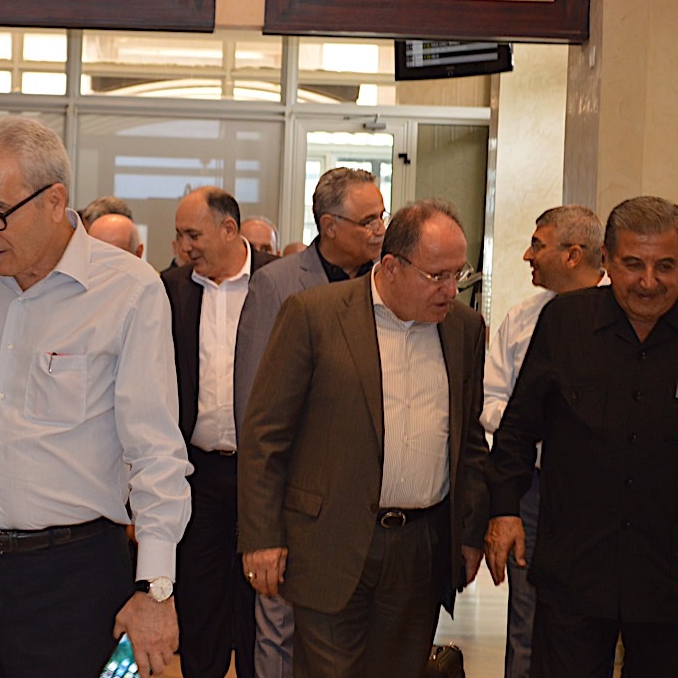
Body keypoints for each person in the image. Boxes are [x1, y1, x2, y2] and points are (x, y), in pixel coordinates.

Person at [0, 116, 191, 678]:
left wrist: (156, 587)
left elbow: (155, 452)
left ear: (54, 201)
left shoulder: (129, 290)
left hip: (69, 579)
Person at [239, 198, 489, 678]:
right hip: (330, 540)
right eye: (436, 276)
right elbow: (265, 436)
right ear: (391, 267)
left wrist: (470, 531)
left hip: (421, 547)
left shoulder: (463, 328)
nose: (450, 290)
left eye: (458, 274)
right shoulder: (314, 315)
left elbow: (469, 440)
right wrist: (262, 537)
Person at [485, 195, 678, 678]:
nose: (649, 281)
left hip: (667, 575)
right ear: (607, 261)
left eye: (666, 266)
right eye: (633, 265)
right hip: (575, 567)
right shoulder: (565, 322)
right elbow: (518, 427)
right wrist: (505, 510)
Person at [234, 167, 386, 678]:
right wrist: (263, 522)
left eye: (382, 216)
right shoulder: (278, 285)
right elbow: (255, 411)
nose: (380, 230)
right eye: (368, 220)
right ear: (329, 225)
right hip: (296, 500)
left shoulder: (385, 284)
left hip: (364, 503)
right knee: (281, 630)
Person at [481, 205, 606, 678]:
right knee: (527, 621)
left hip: (600, 491)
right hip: (533, 490)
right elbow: (492, 400)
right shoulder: (522, 319)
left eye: (538, 244)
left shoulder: (623, 317)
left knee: (594, 620)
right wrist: (536, 424)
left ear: (573, 255)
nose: (526, 255)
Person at [161, 186, 277, 678]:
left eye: (193, 235)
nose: (184, 247)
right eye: (180, 236)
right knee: (200, 603)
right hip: (198, 474)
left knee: (261, 604)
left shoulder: (278, 281)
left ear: (229, 229)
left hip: (264, 474)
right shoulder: (171, 289)